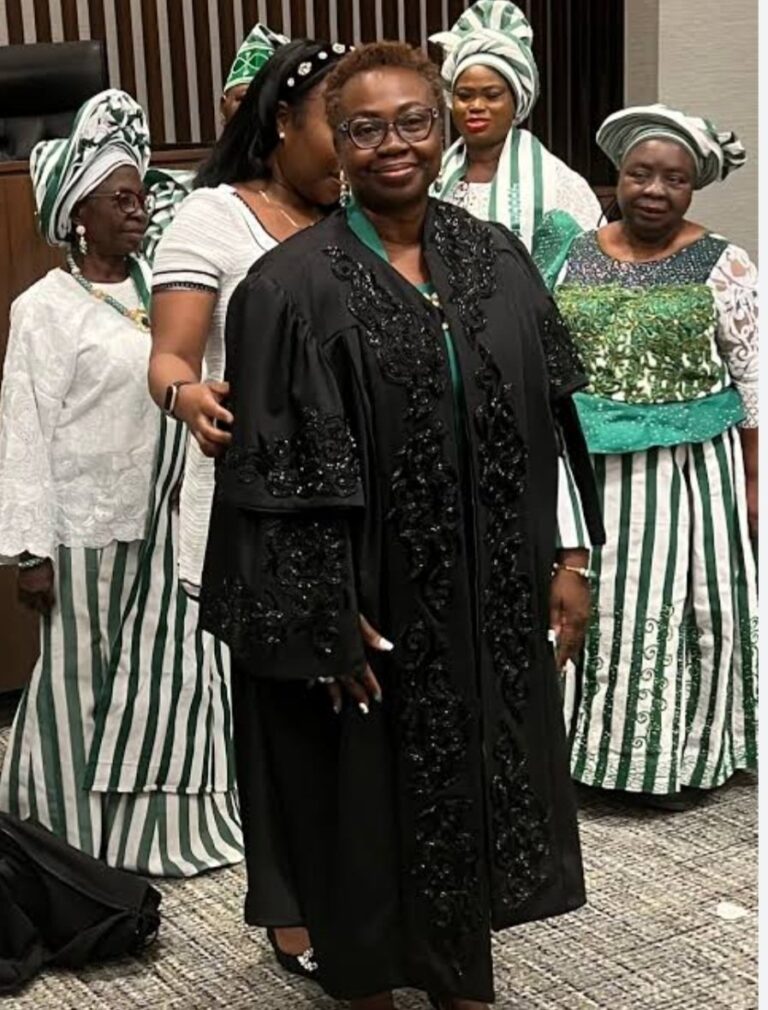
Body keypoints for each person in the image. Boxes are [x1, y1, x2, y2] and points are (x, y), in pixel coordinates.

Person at [199, 41, 604, 1009]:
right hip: (369, 603)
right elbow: (268, 477)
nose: (392, 145)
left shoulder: (495, 257)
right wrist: (322, 615)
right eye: (365, 127)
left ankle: (462, 976)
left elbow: (556, 414)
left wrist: (570, 554)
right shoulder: (289, 286)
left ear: (444, 127)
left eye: (412, 121)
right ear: (333, 143)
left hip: (489, 586)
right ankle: (368, 983)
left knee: (471, 781)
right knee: (362, 807)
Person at [148, 34, 352, 972]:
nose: (357, 150)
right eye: (337, 129)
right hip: (263, 511)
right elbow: (171, 358)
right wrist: (187, 395)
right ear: (281, 124)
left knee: (374, 712)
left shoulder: (375, 213)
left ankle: (373, 887)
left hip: (372, 512)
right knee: (286, 724)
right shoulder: (212, 222)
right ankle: (292, 912)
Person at [556, 104, 757, 810]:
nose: (653, 190)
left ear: (693, 188)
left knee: (674, 607)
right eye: (640, 173)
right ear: (617, 175)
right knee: (590, 603)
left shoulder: (725, 262)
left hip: (687, 473)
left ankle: (672, 759)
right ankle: (583, 753)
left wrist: (757, 481)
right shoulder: (573, 252)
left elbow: (755, 375)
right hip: (587, 467)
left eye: (673, 179)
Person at [0, 90, 160, 862]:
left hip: (160, 522)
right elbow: (22, 429)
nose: (137, 210)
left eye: (141, 195)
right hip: (83, 527)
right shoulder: (44, 308)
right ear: (77, 216)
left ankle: (131, 829)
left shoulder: (163, 290)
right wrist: (31, 550)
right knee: (75, 685)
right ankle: (56, 830)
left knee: (142, 682)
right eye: (118, 199)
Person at [430, 0, 602, 288]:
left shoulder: (559, 183)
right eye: (465, 95)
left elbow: (589, 271)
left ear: (516, 102)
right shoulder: (434, 178)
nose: (476, 106)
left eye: (492, 95)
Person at [142, 22, 289, 265]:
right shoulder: (177, 197)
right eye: (243, 99)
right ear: (223, 106)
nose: (251, 111)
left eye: (262, 100)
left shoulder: (299, 197)